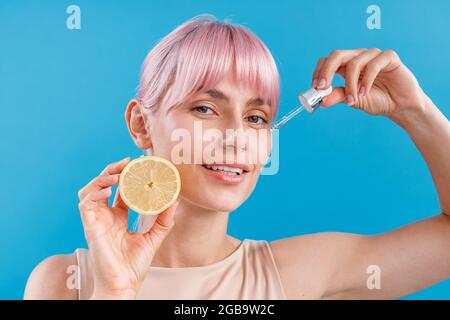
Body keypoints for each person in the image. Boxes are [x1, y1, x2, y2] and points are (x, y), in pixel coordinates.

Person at [24, 15, 450, 300]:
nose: (237, 137)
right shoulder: (63, 284)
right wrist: (115, 292)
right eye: (205, 109)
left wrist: (418, 112)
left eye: (256, 117)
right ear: (141, 124)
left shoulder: (300, 276)